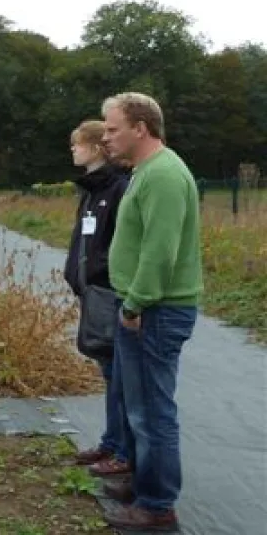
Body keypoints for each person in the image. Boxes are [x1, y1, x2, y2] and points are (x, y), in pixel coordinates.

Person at [99, 92, 203, 532]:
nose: (105, 137)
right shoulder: (146, 172)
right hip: (142, 307)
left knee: (151, 411)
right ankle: (141, 484)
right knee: (134, 403)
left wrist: (137, 303)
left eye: (112, 128)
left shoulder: (162, 175)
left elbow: (160, 251)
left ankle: (157, 503)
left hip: (154, 311)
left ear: (140, 128)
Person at [61, 121, 132, 477]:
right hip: (93, 292)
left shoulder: (118, 187)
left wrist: (98, 273)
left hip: (109, 292)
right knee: (108, 370)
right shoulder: (91, 190)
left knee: (119, 372)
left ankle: (122, 450)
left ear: (96, 148)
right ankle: (111, 441)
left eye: (78, 144)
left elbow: (117, 242)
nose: (73, 150)